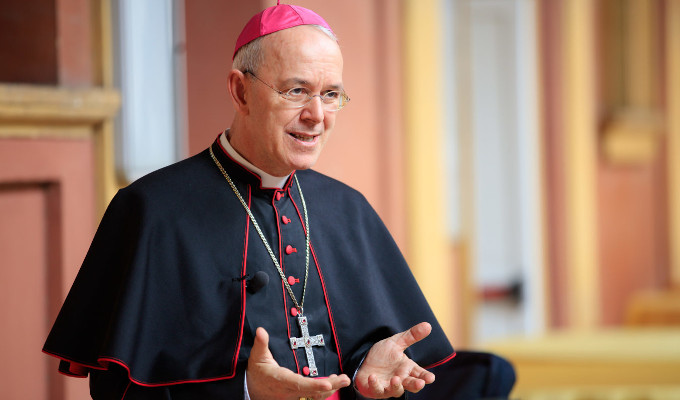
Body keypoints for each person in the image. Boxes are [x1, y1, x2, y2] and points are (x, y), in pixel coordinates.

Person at [43, 3, 459, 399]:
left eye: (331, 94)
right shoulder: (151, 210)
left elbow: (356, 357)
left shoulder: (348, 209)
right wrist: (242, 392)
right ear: (240, 91)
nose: (317, 115)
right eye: (297, 90)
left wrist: (368, 377)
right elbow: (116, 388)